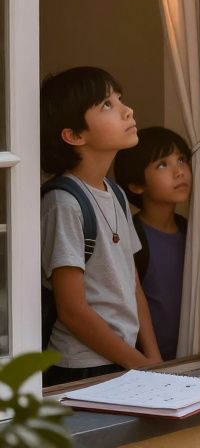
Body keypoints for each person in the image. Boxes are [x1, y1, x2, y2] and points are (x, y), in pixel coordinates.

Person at [40, 67, 162, 386]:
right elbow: (72, 310)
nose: (126, 110)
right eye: (106, 105)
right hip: (82, 367)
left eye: (119, 99)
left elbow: (133, 286)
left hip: (123, 361)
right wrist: (139, 364)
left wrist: (154, 360)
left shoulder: (116, 193)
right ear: (74, 135)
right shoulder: (63, 202)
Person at [114, 127, 193, 363]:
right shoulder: (132, 236)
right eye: (162, 165)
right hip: (147, 363)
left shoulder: (192, 232)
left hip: (191, 358)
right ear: (137, 186)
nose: (179, 171)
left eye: (181, 160)